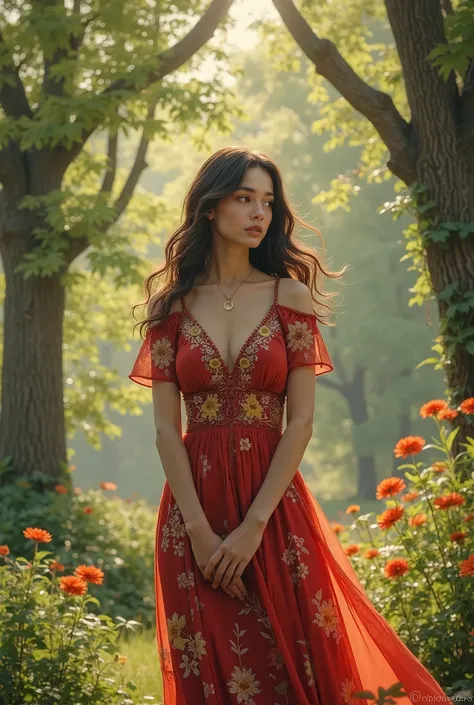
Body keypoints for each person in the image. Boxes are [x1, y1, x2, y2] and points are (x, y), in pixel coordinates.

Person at [129, 146, 450, 705]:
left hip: (273, 506)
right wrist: (203, 535)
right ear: (211, 207)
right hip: (192, 513)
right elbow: (164, 429)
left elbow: (300, 422)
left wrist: (253, 525)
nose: (260, 213)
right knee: (213, 672)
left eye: (269, 202)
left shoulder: (289, 296)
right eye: (244, 198)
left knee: (299, 658)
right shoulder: (171, 309)